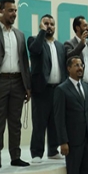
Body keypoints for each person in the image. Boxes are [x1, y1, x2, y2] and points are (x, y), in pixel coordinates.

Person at [0, 0, 31, 171]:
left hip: (17, 82)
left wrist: (27, 86)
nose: (14, 13)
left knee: (15, 123)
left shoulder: (19, 34)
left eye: (15, 10)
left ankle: (16, 156)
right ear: (1, 11)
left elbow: (24, 62)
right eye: (10, 10)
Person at [28, 14, 67, 164]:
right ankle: (36, 153)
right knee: (39, 122)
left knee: (55, 121)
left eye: (51, 24)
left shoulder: (60, 46)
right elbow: (35, 50)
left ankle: (53, 150)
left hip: (58, 89)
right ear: (40, 25)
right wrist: (42, 32)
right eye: (46, 23)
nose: (49, 26)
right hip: (41, 89)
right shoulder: (34, 40)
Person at [64, 15, 88, 84]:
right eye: (85, 26)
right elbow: (70, 57)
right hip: (77, 83)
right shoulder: (69, 43)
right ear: (77, 28)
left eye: (87, 26)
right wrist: (81, 44)